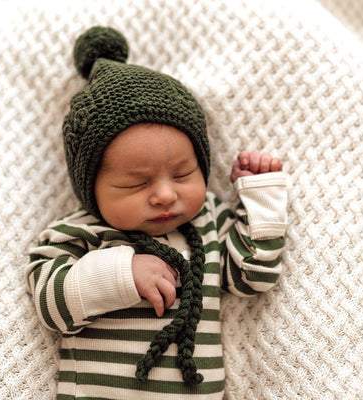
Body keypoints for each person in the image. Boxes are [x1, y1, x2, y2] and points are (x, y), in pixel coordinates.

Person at [25, 26, 288, 399]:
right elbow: (50, 305)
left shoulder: (208, 223)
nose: (165, 195)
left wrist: (260, 195)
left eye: (182, 174)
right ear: (90, 189)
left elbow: (254, 276)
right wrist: (121, 275)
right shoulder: (80, 231)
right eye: (135, 184)